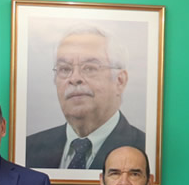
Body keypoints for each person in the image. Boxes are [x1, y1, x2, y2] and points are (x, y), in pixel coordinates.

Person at [26, 26, 145, 170]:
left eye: (89, 68)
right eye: (65, 69)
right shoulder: (30, 149)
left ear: (119, 81)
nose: (74, 78)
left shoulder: (143, 148)